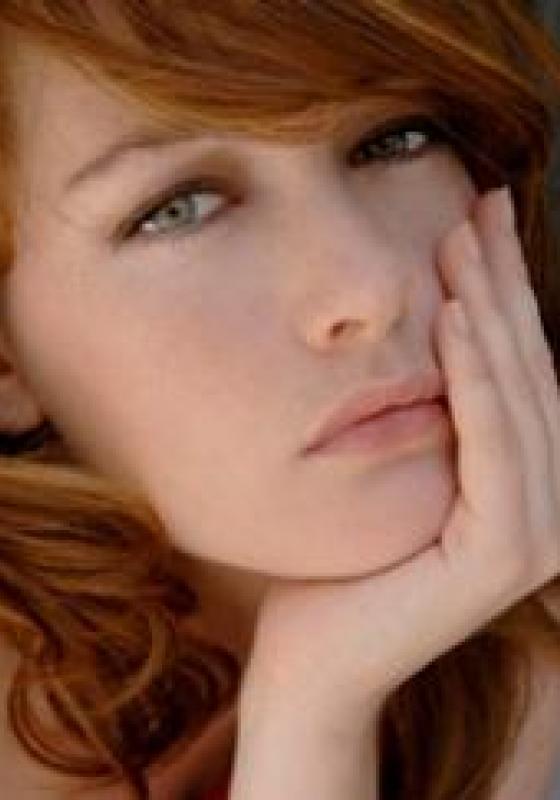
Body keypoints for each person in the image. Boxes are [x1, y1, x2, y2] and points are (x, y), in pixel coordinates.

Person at [0, 1, 559, 799]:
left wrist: (317, 701)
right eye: (179, 210)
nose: (371, 287)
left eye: (394, 139)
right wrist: (314, 728)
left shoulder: (513, 653)